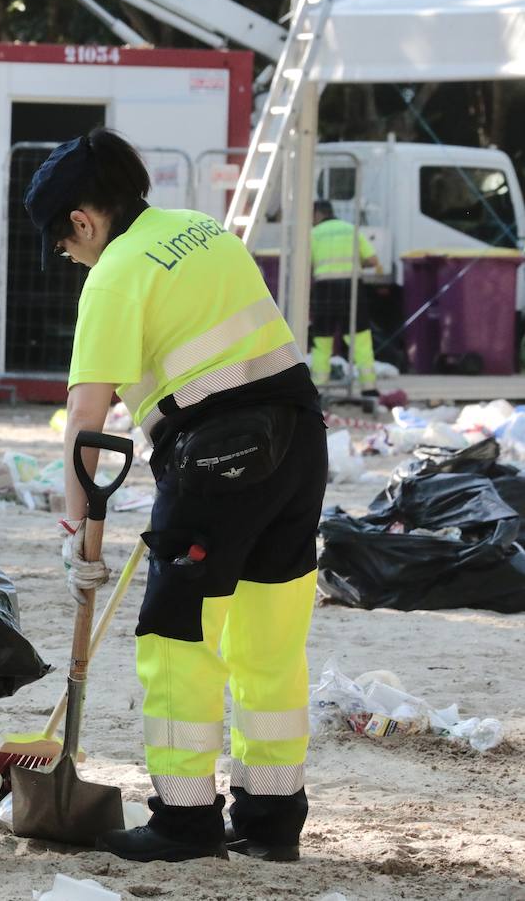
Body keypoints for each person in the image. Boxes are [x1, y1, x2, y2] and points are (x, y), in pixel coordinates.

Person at [23, 128, 328, 863]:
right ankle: (271, 818)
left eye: (63, 245)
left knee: (176, 639)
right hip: (299, 440)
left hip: (218, 456)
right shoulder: (201, 230)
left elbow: (87, 426)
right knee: (269, 641)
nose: (68, 259)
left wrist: (77, 537)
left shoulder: (116, 271)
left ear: (85, 223)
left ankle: (185, 822)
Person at [310, 199, 381, 393]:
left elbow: (306, 265)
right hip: (352, 288)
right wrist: (356, 265)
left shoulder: (313, 234)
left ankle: (319, 386)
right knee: (360, 337)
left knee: (322, 339)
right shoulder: (352, 229)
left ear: (318, 214)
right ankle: (369, 387)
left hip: (324, 289)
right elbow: (373, 260)